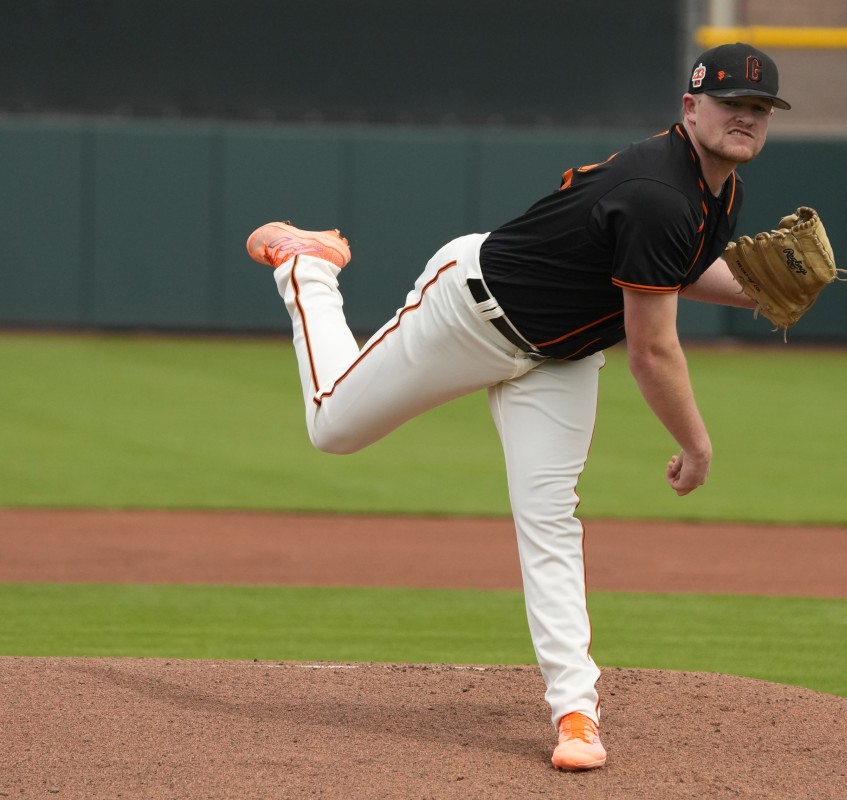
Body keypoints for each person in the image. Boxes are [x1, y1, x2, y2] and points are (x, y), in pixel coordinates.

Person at [244, 42, 789, 772]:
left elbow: (672, 270)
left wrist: (760, 290)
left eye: (759, 110)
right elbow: (652, 348)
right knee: (332, 428)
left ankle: (576, 712)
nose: (745, 119)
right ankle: (309, 268)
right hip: (469, 313)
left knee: (551, 520)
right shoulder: (663, 191)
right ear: (691, 109)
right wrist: (695, 445)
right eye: (730, 104)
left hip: (557, 358)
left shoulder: (719, 193)